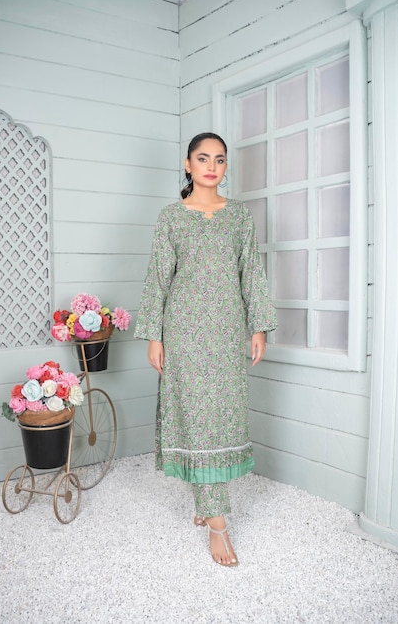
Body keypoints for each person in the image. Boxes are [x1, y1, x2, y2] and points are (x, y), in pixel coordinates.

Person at [134, 132, 277, 566]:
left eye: (219, 159)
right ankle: (218, 524)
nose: (211, 166)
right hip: (182, 332)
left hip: (226, 331)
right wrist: (155, 335)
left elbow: (251, 269)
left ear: (225, 166)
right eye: (203, 158)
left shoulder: (239, 217)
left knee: (220, 415)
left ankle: (205, 499)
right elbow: (159, 277)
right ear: (188, 164)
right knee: (194, 415)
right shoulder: (171, 218)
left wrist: (259, 326)